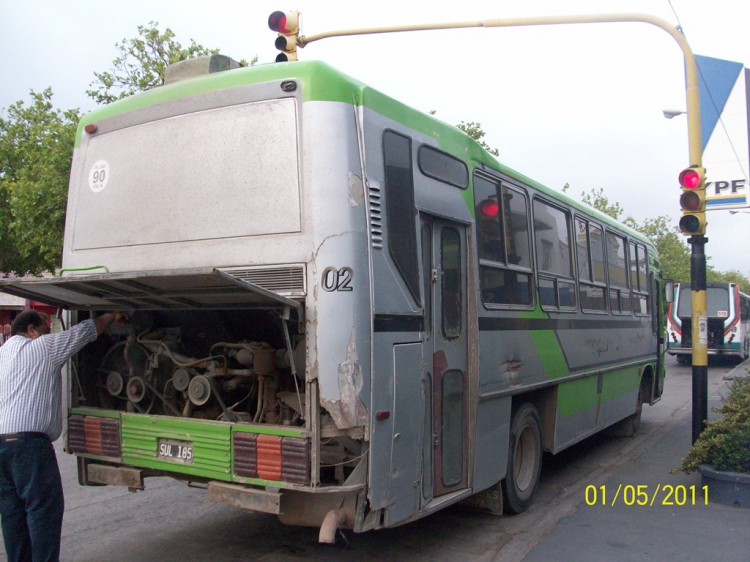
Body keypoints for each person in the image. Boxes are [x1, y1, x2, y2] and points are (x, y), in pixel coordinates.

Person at [0, 310, 128, 562]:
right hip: (28, 445)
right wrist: (111, 316)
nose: (50, 333)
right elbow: (82, 333)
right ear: (31, 331)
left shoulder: (2, 355)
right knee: (43, 513)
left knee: (12, 515)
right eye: (46, 329)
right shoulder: (42, 347)